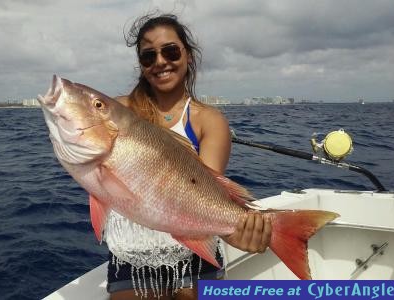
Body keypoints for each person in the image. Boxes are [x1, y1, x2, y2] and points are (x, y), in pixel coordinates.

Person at [103, 13, 272, 300]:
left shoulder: (209, 120)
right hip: (133, 254)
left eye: (170, 51)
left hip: (194, 249)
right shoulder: (118, 111)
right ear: (141, 65)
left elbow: (209, 191)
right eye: (148, 56)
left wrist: (237, 231)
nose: (160, 62)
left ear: (188, 56)